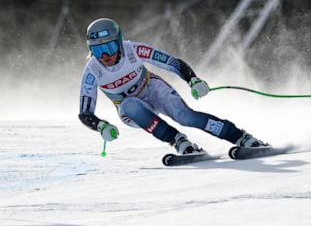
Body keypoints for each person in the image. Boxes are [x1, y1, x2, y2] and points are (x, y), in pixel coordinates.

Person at [79, 18, 268, 154]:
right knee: (129, 105)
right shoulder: (92, 71)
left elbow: (173, 63)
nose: (105, 56)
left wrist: (193, 80)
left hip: (152, 88)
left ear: (119, 42)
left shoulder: (133, 50)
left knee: (185, 117)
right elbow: (85, 113)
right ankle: (177, 140)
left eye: (109, 47)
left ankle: (240, 137)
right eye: (97, 50)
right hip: (132, 109)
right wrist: (101, 126)